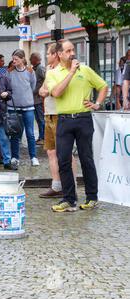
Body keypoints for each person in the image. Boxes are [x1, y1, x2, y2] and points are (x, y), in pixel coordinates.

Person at [46, 40, 108, 212]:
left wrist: (97, 103)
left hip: (83, 118)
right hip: (64, 120)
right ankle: (69, 199)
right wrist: (71, 73)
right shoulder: (53, 73)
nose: (72, 53)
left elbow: (103, 86)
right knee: (63, 160)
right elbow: (57, 93)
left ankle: (92, 197)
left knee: (86, 158)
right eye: (68, 51)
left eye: (73, 50)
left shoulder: (85, 70)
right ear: (59, 54)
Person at [38, 43, 77, 198]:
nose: (46, 56)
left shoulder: (64, 70)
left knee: (66, 152)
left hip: (60, 113)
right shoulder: (49, 71)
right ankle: (57, 185)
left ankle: (71, 186)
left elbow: (56, 91)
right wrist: (48, 90)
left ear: (55, 55)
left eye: (48, 53)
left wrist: (49, 91)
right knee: (51, 151)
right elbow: (42, 91)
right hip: (49, 114)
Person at [7, 49, 39, 167]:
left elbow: (33, 86)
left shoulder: (30, 72)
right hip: (13, 107)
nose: (14, 61)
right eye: (13, 59)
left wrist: (26, 97)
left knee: (30, 133)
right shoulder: (9, 72)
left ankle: (33, 157)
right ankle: (15, 157)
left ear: (22, 59)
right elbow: (7, 87)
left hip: (28, 107)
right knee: (14, 133)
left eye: (16, 59)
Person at [30, 52, 46, 145]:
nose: (30, 61)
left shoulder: (40, 68)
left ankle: (43, 137)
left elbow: (46, 79)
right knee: (38, 119)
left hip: (39, 99)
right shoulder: (35, 69)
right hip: (35, 99)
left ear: (35, 59)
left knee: (40, 119)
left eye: (31, 59)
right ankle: (41, 136)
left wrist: (41, 90)